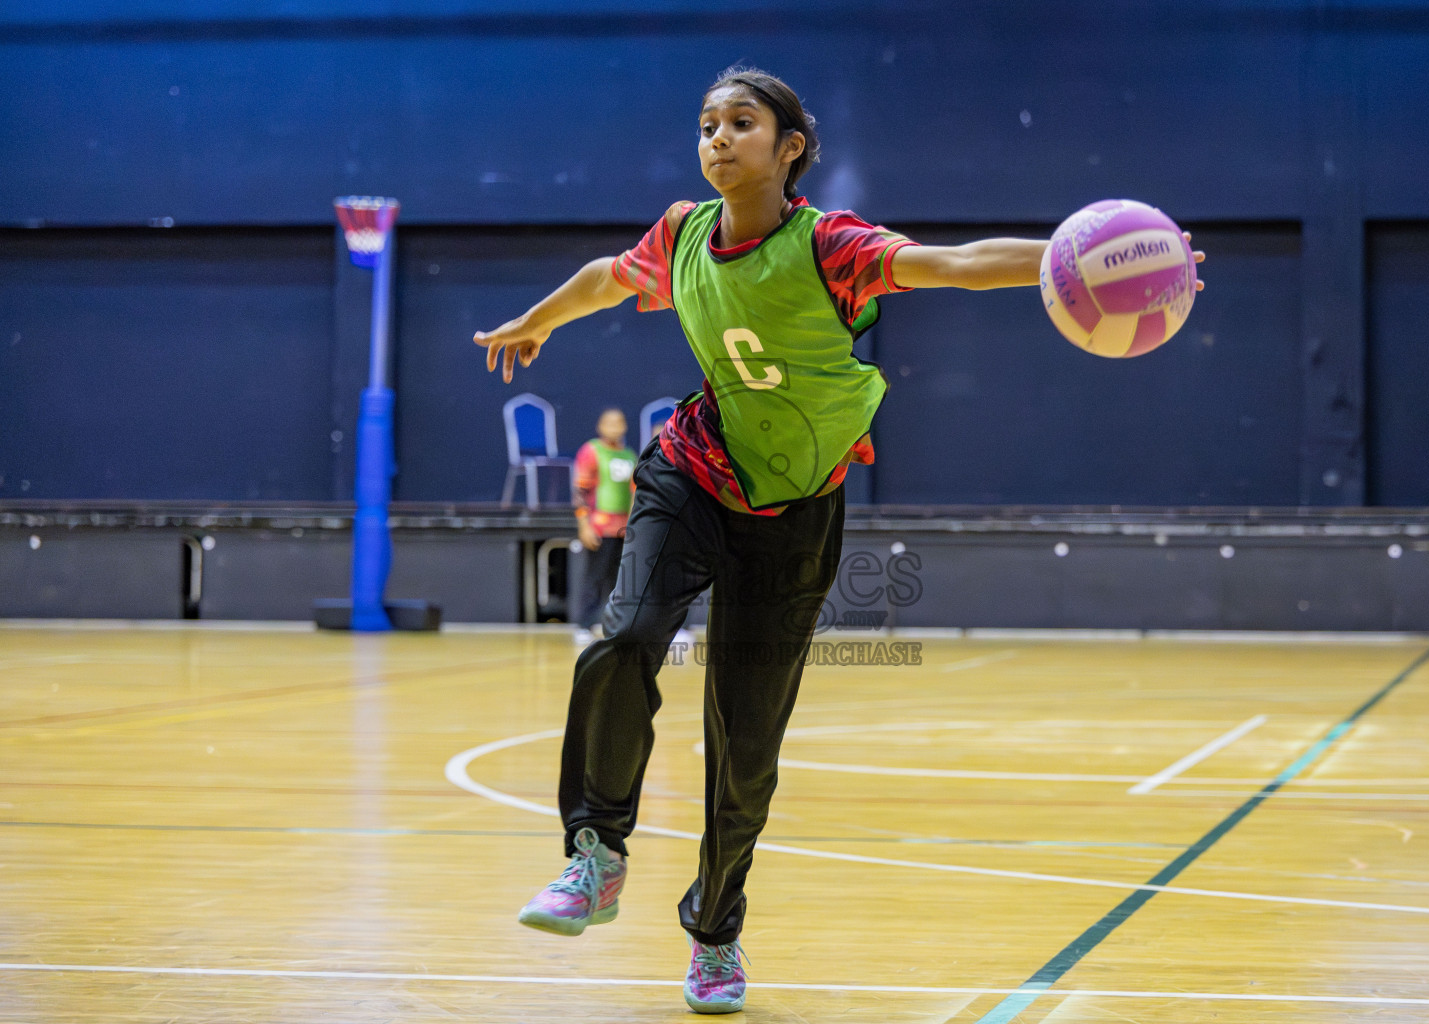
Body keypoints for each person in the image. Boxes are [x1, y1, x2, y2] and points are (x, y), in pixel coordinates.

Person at [474, 66, 1203, 1014]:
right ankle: (594, 853)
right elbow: (609, 280)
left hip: (798, 512)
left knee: (746, 749)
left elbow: (957, 263)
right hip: (692, 471)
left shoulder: (831, 246)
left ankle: (716, 933)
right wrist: (537, 322)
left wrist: (1094, 250)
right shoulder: (683, 235)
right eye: (707, 125)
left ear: (791, 150)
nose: (718, 139)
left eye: (743, 123)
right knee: (623, 634)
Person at [570, 408, 636, 647]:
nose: (614, 427)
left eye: (619, 423)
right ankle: (585, 625)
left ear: (625, 427)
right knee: (594, 577)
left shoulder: (630, 455)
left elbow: (634, 493)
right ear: (600, 426)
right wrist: (584, 524)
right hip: (599, 527)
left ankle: (616, 624)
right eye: (609, 423)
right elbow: (581, 490)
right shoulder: (592, 451)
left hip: (623, 529)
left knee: (620, 580)